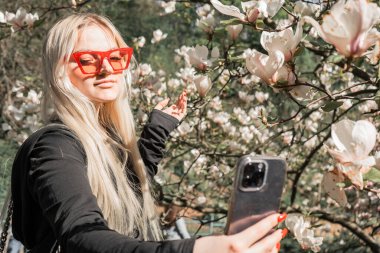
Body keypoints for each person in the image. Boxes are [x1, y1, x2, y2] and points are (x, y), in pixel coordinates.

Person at [10, 13, 287, 253]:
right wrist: (197, 248)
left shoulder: (104, 138)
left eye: (115, 57)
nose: (106, 69)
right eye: (88, 60)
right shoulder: (55, 146)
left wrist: (156, 133)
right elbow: (82, 237)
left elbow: (122, 191)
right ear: (60, 71)